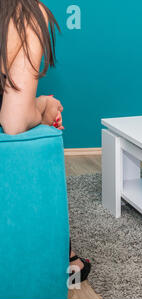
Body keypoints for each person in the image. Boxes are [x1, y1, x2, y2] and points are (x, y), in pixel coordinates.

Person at [0, 0, 91, 284]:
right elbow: (13, 123)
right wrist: (42, 108)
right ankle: (64, 259)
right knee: (35, 138)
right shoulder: (24, 11)